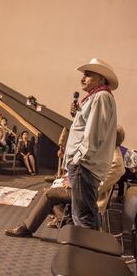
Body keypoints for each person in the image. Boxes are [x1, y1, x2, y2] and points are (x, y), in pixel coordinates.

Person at [5, 126, 125, 237]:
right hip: (81, 188)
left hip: (88, 196)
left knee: (49, 194)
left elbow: (97, 187)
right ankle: (64, 220)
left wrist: (74, 183)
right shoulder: (107, 152)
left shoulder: (116, 162)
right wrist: (72, 178)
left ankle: (27, 228)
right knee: (53, 191)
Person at [63, 58, 118, 230]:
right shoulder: (97, 97)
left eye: (88, 75)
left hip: (84, 165)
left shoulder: (101, 97)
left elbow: (94, 135)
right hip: (85, 165)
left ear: (101, 79)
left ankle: (87, 254)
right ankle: (90, 253)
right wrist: (78, 114)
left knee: (83, 218)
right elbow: (90, 127)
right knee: (84, 215)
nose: (82, 78)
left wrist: (77, 159)